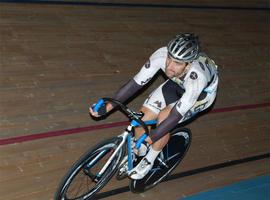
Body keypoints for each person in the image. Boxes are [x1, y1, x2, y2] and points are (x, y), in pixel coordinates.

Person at [89, 33, 219, 180]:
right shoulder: (161, 55)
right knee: (141, 118)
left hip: (199, 96)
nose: (169, 66)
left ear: (188, 64)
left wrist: (150, 139)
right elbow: (135, 84)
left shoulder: (197, 78)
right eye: (169, 58)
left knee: (164, 119)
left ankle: (149, 159)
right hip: (177, 84)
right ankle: (140, 151)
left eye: (177, 63)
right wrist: (108, 106)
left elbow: (174, 116)